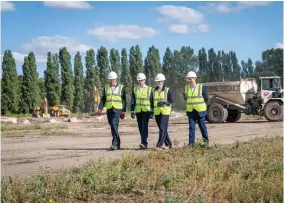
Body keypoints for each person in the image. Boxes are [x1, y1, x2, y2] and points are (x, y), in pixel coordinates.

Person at [97, 71, 127, 150]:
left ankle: (114, 143)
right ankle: (118, 143)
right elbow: (103, 99)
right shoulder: (106, 87)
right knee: (113, 127)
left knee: (114, 124)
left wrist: (123, 111)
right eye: (110, 79)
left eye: (113, 79)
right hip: (109, 109)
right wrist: (100, 108)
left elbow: (124, 100)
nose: (111, 81)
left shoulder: (121, 87)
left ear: (116, 79)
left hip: (117, 109)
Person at [184, 71, 209, 147]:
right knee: (191, 128)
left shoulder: (201, 87)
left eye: (190, 79)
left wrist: (200, 105)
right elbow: (185, 98)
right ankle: (191, 144)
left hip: (200, 111)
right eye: (188, 79)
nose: (189, 80)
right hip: (191, 111)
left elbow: (206, 98)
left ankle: (206, 142)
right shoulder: (186, 87)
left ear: (195, 78)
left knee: (202, 127)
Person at [131, 73, 153, 150]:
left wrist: (152, 111)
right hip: (138, 111)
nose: (140, 81)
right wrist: (132, 111)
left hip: (146, 111)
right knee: (140, 127)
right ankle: (143, 142)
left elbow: (152, 100)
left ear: (144, 80)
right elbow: (133, 101)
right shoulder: (135, 89)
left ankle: (144, 143)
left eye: (142, 80)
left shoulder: (149, 89)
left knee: (144, 126)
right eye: (139, 80)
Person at [152, 73, 173, 151]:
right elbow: (151, 102)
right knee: (163, 129)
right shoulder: (153, 91)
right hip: (157, 112)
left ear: (163, 81)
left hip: (165, 112)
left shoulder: (167, 90)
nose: (159, 83)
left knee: (162, 129)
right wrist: (151, 110)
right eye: (158, 82)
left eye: (160, 81)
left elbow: (170, 101)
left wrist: (164, 103)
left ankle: (159, 145)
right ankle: (168, 144)